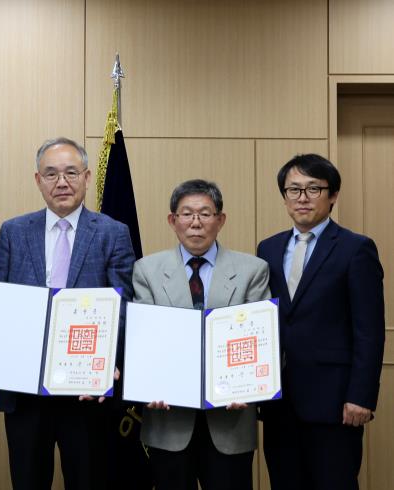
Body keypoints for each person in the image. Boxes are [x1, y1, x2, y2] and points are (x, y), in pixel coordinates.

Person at [0, 137, 135, 490]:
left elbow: (124, 307)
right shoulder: (13, 231)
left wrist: (109, 361)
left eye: (71, 172)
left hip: (86, 392)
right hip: (24, 390)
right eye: (51, 174)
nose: (62, 182)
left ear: (86, 177)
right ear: (38, 180)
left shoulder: (113, 233)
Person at [257, 154, 384, 490]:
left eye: (313, 189)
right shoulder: (268, 249)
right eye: (294, 189)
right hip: (279, 404)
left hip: (335, 403)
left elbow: (369, 331)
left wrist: (361, 396)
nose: (302, 198)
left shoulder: (356, 249)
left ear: (333, 195)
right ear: (284, 196)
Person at [133, 179, 270, 490]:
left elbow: (260, 340)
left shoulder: (253, 270)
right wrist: (149, 383)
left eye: (205, 214)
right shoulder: (147, 270)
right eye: (187, 214)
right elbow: (144, 339)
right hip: (168, 421)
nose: (196, 222)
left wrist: (248, 388)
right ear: (173, 220)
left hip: (230, 421)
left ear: (220, 220)